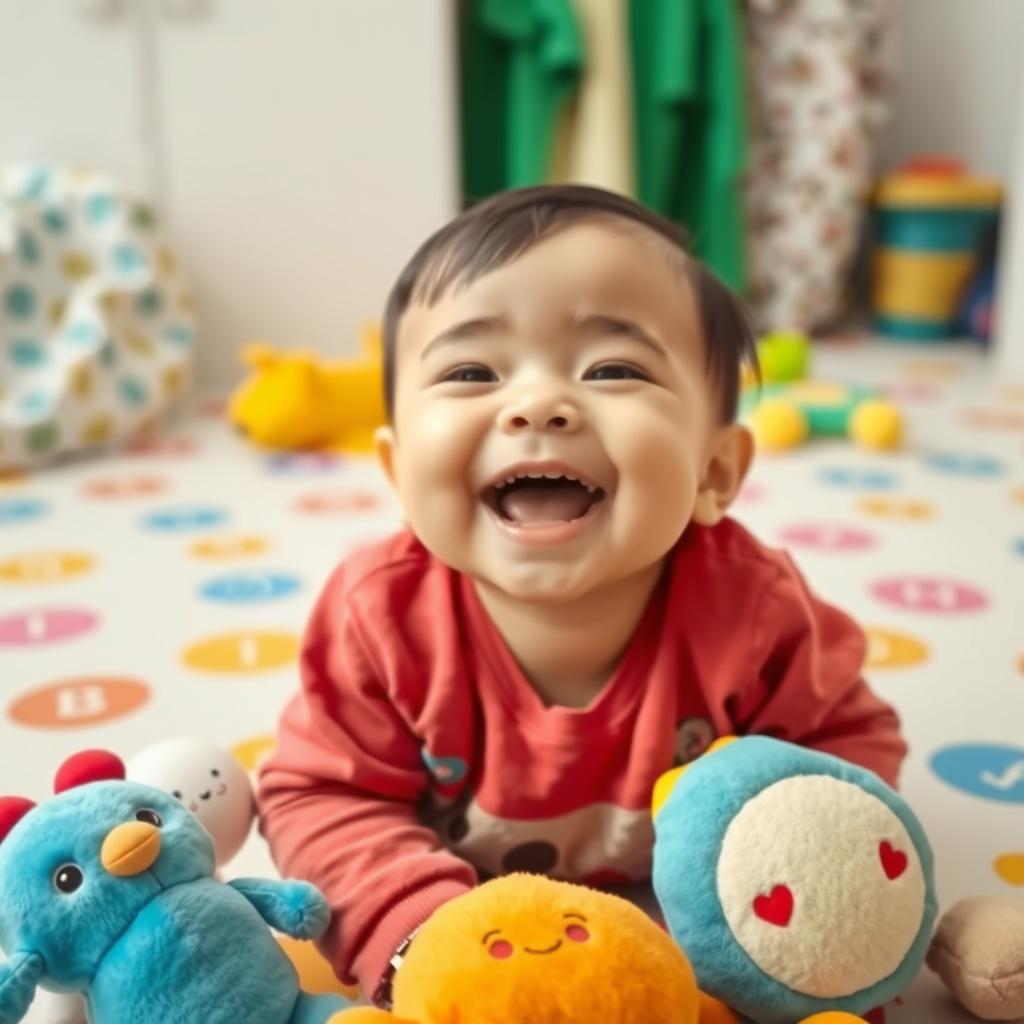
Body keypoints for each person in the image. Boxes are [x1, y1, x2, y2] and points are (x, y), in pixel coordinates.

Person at [256, 184, 906, 1007]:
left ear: (714, 473)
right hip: (476, 933)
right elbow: (323, 793)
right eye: (470, 370)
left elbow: (845, 748)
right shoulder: (380, 617)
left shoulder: (753, 610)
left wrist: (775, 918)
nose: (538, 405)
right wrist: (432, 936)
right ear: (396, 473)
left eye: (612, 368)